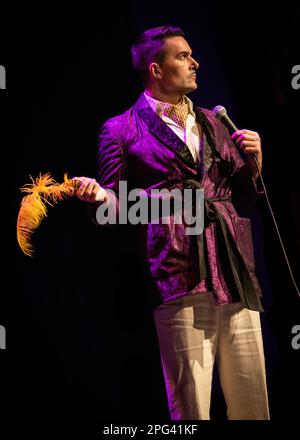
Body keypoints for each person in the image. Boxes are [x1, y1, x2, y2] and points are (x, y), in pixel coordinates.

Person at [73, 25, 270, 420]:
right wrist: (100, 197)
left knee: (252, 403)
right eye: (182, 56)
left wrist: (256, 160)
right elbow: (115, 209)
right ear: (156, 70)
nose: (195, 63)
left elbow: (241, 190)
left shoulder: (213, 122)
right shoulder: (121, 128)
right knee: (192, 407)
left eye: (192, 54)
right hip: (179, 276)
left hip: (234, 272)